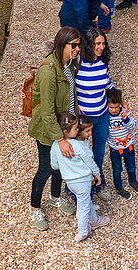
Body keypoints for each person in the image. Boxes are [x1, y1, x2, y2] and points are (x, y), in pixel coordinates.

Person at [28, 28, 81, 230]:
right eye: (73, 45)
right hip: (48, 131)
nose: (77, 49)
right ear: (62, 45)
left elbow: (70, 93)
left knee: (60, 165)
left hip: (64, 127)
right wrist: (60, 140)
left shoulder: (68, 64)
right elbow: (47, 111)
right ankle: (34, 208)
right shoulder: (49, 70)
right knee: (46, 169)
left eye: (79, 44)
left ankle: (55, 197)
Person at [50, 113, 109, 242]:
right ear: (66, 131)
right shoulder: (79, 145)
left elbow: (54, 165)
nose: (78, 130)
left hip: (70, 181)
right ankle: (82, 232)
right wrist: (97, 175)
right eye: (76, 128)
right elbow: (90, 162)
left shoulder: (56, 144)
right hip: (83, 180)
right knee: (82, 208)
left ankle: (95, 220)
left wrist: (66, 166)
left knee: (86, 201)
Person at [76, 28, 114, 196]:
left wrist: (122, 102)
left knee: (98, 152)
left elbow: (108, 85)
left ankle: (98, 185)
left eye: (103, 43)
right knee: (83, 154)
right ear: (89, 44)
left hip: (102, 115)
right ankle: (81, 190)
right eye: (97, 43)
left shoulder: (103, 62)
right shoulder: (77, 63)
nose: (100, 47)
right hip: (85, 118)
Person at [104, 88, 138, 198]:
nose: (114, 110)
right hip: (115, 149)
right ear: (107, 105)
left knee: (131, 167)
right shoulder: (106, 117)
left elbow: (133, 127)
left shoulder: (126, 113)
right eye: (111, 107)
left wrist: (126, 119)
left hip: (129, 147)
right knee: (117, 169)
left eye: (117, 107)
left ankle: (133, 182)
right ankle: (119, 188)